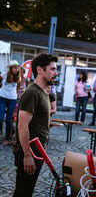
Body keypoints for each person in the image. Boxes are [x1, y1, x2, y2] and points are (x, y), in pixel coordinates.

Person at [13, 53, 58, 197]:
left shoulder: (43, 92)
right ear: (40, 70)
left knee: (26, 191)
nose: (56, 73)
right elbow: (22, 125)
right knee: (22, 193)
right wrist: (27, 155)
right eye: (52, 69)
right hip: (29, 153)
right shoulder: (32, 92)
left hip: (37, 152)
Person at [0, 60, 20, 145]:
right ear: (11, 68)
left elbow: (18, 88)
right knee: (0, 118)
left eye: (17, 68)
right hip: (2, 98)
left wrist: (14, 94)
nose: (16, 69)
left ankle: (6, 138)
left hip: (12, 99)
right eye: (14, 68)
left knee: (9, 120)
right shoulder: (4, 74)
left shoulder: (19, 77)